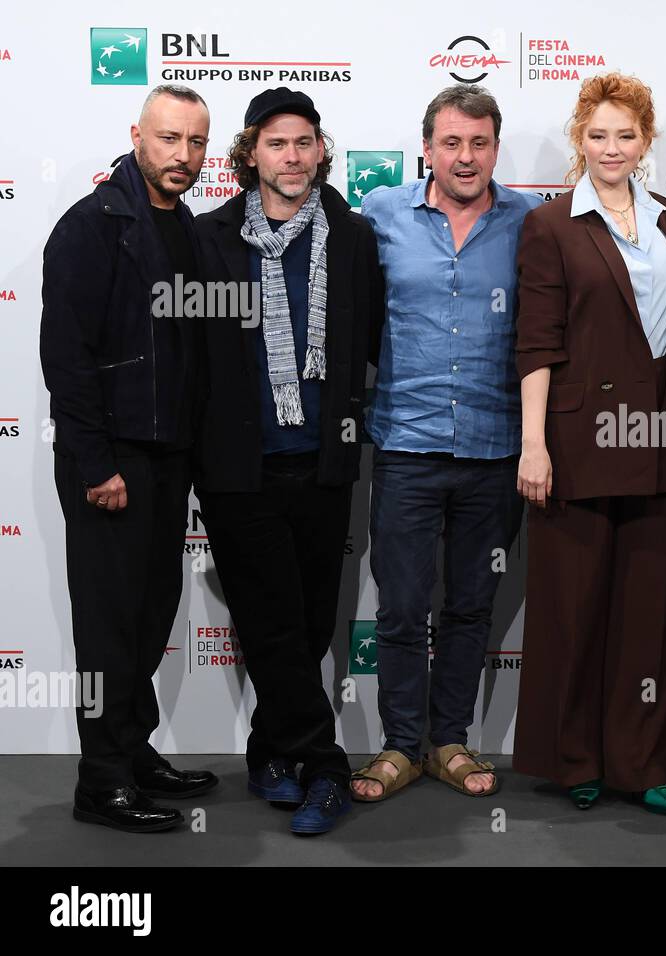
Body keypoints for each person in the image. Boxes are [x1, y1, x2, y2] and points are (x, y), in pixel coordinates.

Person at [193, 88, 384, 834]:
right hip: (239, 468)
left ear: (321, 150)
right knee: (271, 624)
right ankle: (326, 769)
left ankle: (271, 753)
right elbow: (197, 357)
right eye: (277, 144)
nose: (293, 157)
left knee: (305, 626)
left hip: (325, 462)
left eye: (305, 142)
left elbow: (369, 340)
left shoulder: (353, 235)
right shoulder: (211, 240)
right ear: (250, 155)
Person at [513, 73, 666, 816]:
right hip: (578, 441)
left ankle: (642, 762)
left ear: (647, 142)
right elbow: (536, 342)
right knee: (574, 610)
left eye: (626, 135)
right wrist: (534, 445)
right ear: (578, 140)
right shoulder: (551, 224)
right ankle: (575, 760)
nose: (611, 148)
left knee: (650, 617)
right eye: (597, 135)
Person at [352, 85, 540, 803]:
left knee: (469, 606)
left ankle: (449, 741)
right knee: (401, 605)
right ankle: (400, 746)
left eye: (480, 143)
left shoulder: (531, 221)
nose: (466, 157)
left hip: (496, 448)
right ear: (426, 147)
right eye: (452, 143)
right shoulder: (381, 215)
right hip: (405, 442)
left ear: (497, 147)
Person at [40, 84, 217, 832]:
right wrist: (95, 465)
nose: (183, 156)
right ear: (138, 135)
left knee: (148, 619)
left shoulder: (197, 233)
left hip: (168, 457)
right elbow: (66, 359)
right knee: (108, 630)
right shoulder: (92, 225)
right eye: (169, 139)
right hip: (112, 461)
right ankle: (100, 781)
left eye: (196, 143)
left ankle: (133, 751)